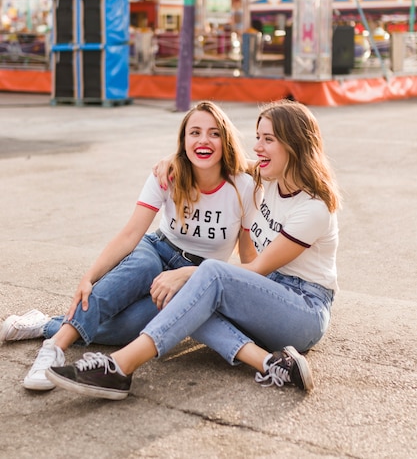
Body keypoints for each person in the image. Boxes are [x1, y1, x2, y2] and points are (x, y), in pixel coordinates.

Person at [44, 99, 340, 400]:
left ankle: (119, 367)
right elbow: (225, 161)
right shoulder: (269, 177)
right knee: (194, 302)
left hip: (303, 310)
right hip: (271, 296)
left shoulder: (313, 208)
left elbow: (258, 268)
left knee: (206, 276)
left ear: (295, 144)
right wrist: (174, 159)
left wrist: (188, 273)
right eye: (258, 137)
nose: (258, 147)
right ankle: (272, 364)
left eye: (268, 140)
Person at [1, 100, 260, 391]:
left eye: (214, 133)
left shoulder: (244, 187)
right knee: (142, 264)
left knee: (125, 328)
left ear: (226, 140)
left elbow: (249, 255)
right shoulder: (168, 175)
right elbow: (130, 234)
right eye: (195, 132)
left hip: (195, 276)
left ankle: (44, 323)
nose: (203, 140)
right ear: (183, 141)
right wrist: (89, 278)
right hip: (157, 249)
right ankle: (54, 347)